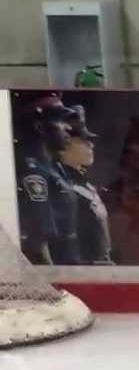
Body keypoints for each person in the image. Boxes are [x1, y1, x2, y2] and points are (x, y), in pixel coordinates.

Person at [15, 94, 80, 265]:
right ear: (40, 127)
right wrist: (55, 287)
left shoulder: (54, 169)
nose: (67, 127)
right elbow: (38, 243)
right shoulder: (34, 173)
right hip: (58, 275)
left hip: (71, 271)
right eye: (59, 120)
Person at [54, 105, 113, 264]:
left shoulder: (87, 186)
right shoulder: (60, 187)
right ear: (64, 145)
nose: (91, 146)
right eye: (83, 141)